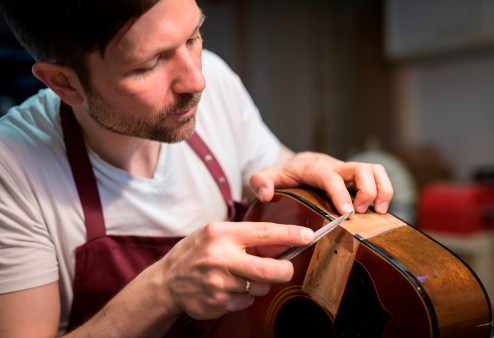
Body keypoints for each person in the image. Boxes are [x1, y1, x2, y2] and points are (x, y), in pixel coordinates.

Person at [0, 0, 393, 337]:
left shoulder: (216, 83)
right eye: (149, 64)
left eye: (193, 37)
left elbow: (276, 166)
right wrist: (164, 289)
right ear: (64, 83)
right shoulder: (13, 165)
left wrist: (306, 167)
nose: (196, 80)